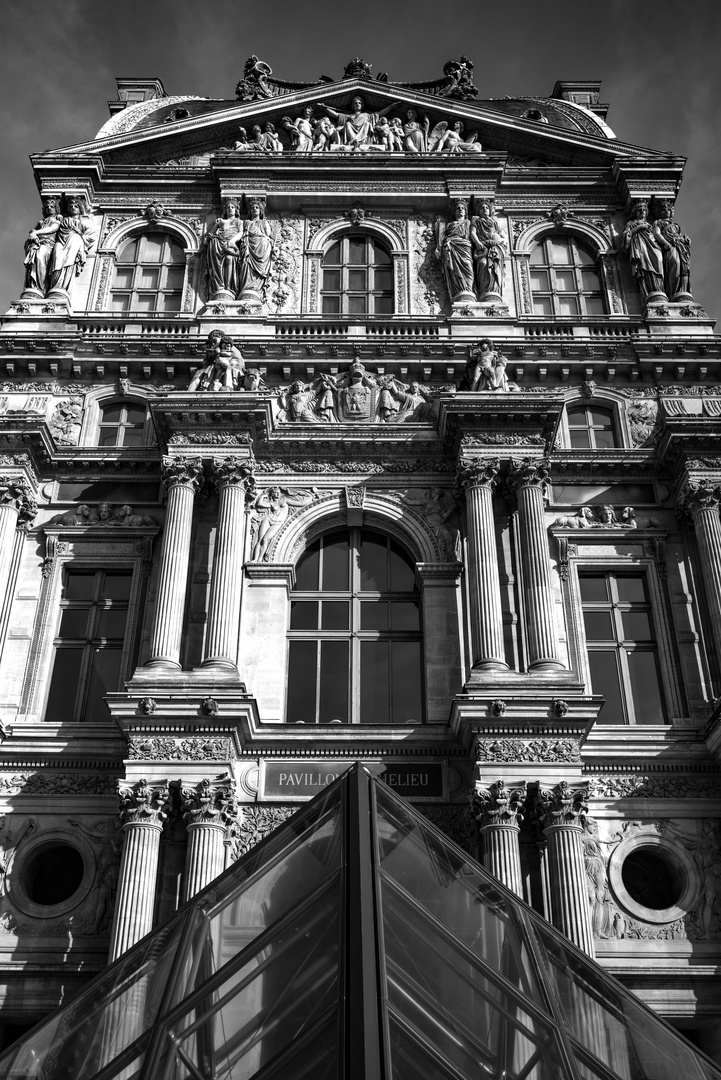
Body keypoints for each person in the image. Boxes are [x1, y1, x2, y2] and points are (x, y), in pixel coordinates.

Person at [47, 195, 95, 294]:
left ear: (80, 209)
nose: (73, 208)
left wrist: (80, 235)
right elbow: (52, 228)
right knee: (56, 258)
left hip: (75, 240)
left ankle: (62, 285)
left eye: (76, 206)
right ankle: (55, 285)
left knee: (69, 260)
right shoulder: (63, 219)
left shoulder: (84, 222)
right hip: (61, 241)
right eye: (71, 206)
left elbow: (92, 236)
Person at [622, 201, 665, 303]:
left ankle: (660, 290)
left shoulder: (652, 224)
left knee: (659, 263)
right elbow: (626, 236)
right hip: (641, 247)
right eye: (639, 210)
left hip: (653, 245)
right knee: (644, 268)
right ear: (635, 213)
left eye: (644, 210)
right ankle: (651, 292)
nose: (642, 211)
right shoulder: (631, 224)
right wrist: (639, 227)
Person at [202, 199, 243, 298]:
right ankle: (220, 286)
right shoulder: (220, 221)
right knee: (217, 259)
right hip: (219, 243)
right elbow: (211, 234)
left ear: (236, 210)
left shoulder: (239, 221)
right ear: (225, 210)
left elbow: (241, 233)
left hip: (230, 244)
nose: (230, 209)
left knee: (229, 259)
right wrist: (214, 229)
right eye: (228, 207)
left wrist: (232, 241)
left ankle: (229, 287)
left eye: (232, 207)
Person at [321, 95, 394, 151]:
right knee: (347, 124)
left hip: (364, 133)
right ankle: (354, 140)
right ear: (353, 106)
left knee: (367, 124)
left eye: (359, 103)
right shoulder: (349, 116)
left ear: (362, 105)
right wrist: (325, 108)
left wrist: (391, 106)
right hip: (351, 133)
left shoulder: (367, 115)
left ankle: (359, 141)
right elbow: (336, 115)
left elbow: (380, 113)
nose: (357, 104)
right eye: (355, 103)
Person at [653, 200, 692, 299]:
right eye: (663, 210)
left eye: (668, 209)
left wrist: (685, 239)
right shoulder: (658, 222)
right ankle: (673, 291)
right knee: (675, 265)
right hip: (670, 246)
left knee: (684, 269)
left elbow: (678, 235)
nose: (666, 211)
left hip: (680, 248)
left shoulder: (675, 226)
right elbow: (657, 234)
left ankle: (681, 291)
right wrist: (665, 243)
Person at [436, 202, 475, 301]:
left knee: (468, 266)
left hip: (465, 247)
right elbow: (442, 237)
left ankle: (468, 289)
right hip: (452, 246)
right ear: (454, 212)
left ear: (466, 211)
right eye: (458, 208)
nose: (461, 210)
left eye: (463, 208)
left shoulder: (469, 223)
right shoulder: (450, 224)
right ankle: (460, 289)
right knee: (454, 270)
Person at [237, 199, 274, 301]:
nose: (254, 209)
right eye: (252, 208)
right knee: (246, 264)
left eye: (257, 207)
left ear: (261, 210)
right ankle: (247, 288)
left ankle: (256, 289)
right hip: (248, 246)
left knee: (257, 271)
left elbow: (268, 236)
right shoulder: (246, 223)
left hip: (261, 246)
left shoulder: (263, 223)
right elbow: (240, 233)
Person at [23, 197, 61, 296]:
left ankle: (41, 287)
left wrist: (36, 232)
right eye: (47, 206)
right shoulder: (42, 221)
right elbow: (32, 231)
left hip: (48, 244)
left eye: (52, 206)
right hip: (37, 244)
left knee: (40, 260)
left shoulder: (56, 219)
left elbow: (53, 229)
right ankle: (35, 287)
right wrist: (32, 233)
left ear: (56, 209)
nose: (49, 208)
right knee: (34, 264)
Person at [471, 201, 506, 299]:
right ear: (479, 211)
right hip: (483, 246)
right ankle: (484, 290)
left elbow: (502, 234)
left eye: (487, 207)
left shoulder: (494, 221)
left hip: (495, 246)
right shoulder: (477, 221)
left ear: (490, 210)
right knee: (482, 264)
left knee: (494, 265)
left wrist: (501, 240)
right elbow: (473, 233)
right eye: (482, 208)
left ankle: (492, 290)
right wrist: (478, 243)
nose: (485, 209)